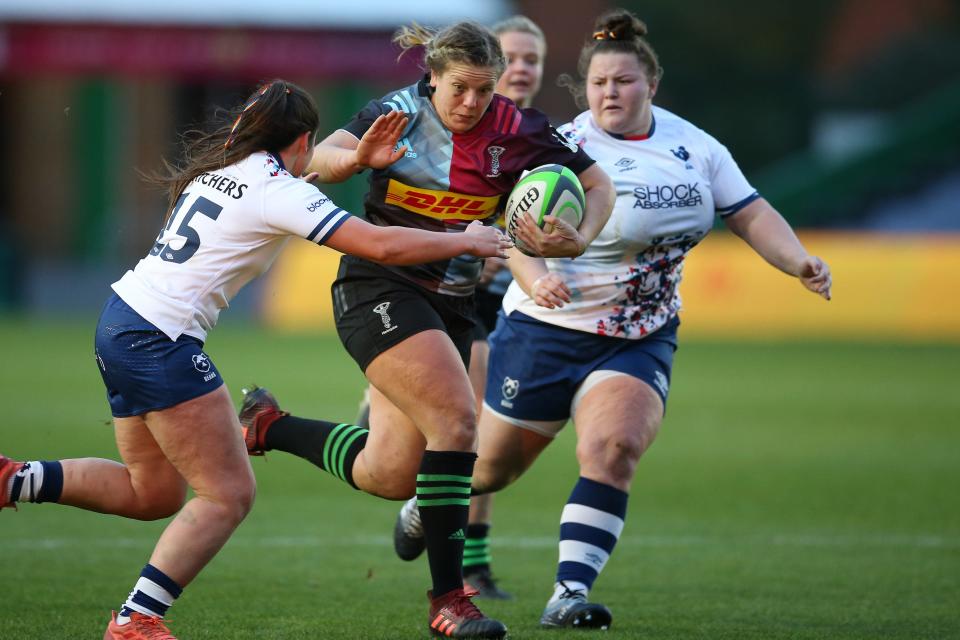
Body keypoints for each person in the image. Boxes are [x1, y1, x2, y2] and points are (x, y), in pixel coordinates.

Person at [0, 79, 510, 640]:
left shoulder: (228, 173)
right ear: (305, 138)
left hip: (120, 320)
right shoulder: (279, 191)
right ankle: (135, 620)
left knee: (153, 494)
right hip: (160, 340)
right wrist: (466, 240)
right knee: (228, 494)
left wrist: (354, 161)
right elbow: (383, 245)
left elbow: (281, 196)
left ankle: (12, 480)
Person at [395, 8, 834, 630]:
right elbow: (511, 232)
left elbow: (750, 211)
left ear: (650, 84)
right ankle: (423, 504)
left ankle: (568, 593)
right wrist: (536, 275)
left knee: (615, 446)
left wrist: (798, 261)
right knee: (491, 468)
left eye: (623, 82)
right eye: (599, 83)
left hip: (638, 336)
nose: (610, 93)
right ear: (585, 88)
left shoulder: (696, 148)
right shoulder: (560, 146)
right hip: (546, 330)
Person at [237, 20, 615, 640]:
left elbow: (597, 184)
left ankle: (269, 427)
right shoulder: (395, 112)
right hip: (379, 289)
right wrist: (358, 157)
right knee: (458, 423)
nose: (472, 103)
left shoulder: (518, 130)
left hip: (454, 306)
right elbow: (320, 162)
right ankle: (450, 601)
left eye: (484, 90)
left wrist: (583, 234)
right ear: (431, 77)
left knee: (389, 475)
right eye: (459, 88)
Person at [389, 15, 549, 602]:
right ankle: (460, 561)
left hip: (502, 293)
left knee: (458, 432)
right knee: (458, 424)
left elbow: (547, 206)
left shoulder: (538, 136)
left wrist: (537, 253)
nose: (525, 67)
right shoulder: (437, 121)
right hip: (431, 288)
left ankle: (464, 556)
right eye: (516, 55)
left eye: (533, 58)